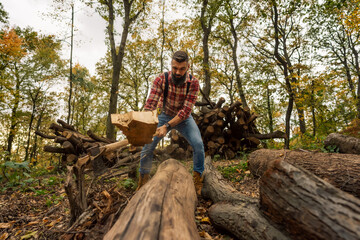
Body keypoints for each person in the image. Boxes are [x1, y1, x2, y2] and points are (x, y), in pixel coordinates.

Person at [137, 51, 205, 195]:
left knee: (198, 144)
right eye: (175, 68)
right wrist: (145, 126)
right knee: (147, 146)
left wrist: (167, 127)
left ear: (188, 67)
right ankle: (143, 180)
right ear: (171, 65)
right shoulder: (161, 79)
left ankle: (198, 180)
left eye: (182, 69)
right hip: (164, 115)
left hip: (184, 119)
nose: (178, 72)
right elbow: (150, 104)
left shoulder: (193, 83)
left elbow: (186, 111)